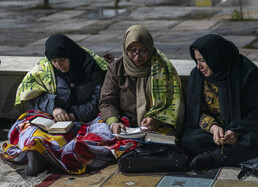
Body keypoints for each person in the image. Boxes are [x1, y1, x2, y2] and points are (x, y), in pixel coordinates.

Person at [7, 34, 109, 176]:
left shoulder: (91, 66)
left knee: (103, 132)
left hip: (86, 119)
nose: (59, 65)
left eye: (62, 60)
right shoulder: (45, 68)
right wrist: (53, 108)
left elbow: (99, 100)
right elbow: (32, 94)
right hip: (54, 119)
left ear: (71, 56)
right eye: (55, 61)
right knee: (25, 127)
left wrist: (74, 115)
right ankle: (36, 152)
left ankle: (53, 156)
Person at [181, 34, 258, 171]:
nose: (198, 66)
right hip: (216, 133)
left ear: (216, 57)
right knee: (189, 139)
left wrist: (236, 132)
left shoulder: (246, 72)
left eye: (203, 60)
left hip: (243, 131)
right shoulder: (198, 76)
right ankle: (229, 155)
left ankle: (214, 158)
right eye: (196, 60)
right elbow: (197, 112)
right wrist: (213, 128)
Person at [99, 25, 184, 137]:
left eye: (143, 51)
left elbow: (172, 104)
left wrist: (155, 120)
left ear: (150, 48)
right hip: (124, 125)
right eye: (132, 51)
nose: (137, 57)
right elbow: (107, 102)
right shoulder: (116, 68)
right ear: (125, 48)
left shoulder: (162, 69)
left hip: (155, 127)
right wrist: (114, 122)